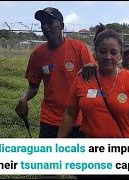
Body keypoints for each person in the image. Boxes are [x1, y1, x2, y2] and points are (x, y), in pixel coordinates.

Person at [58, 24, 129, 179]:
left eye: (113, 52)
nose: (108, 56)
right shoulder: (83, 78)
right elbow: (70, 114)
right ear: (95, 53)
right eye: (103, 51)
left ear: (120, 55)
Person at [15, 7, 97, 139]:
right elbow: (33, 86)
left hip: (77, 119)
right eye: (43, 23)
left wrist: (92, 66)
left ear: (62, 26)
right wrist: (24, 99)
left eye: (50, 22)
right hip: (49, 120)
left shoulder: (79, 48)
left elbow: (95, 74)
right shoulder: (38, 54)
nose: (46, 27)